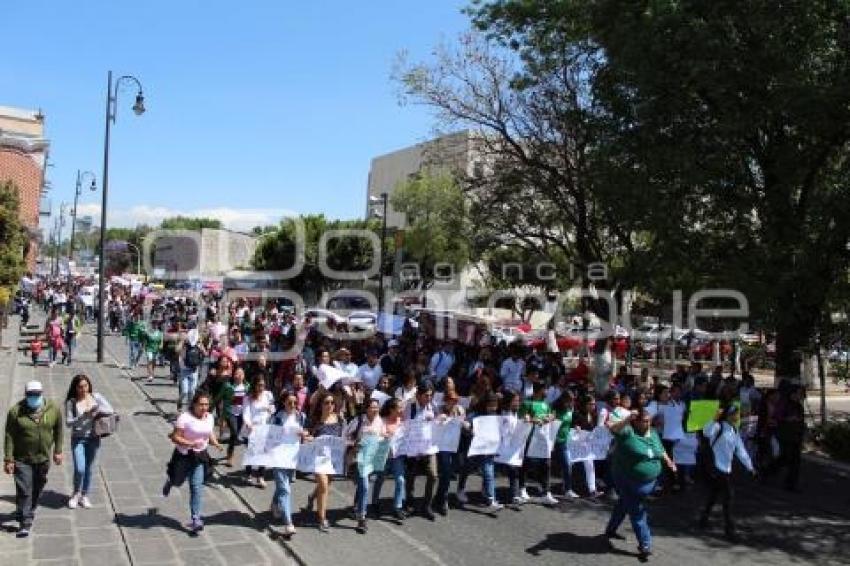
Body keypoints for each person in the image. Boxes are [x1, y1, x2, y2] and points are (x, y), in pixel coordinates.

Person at [605, 407, 676, 560]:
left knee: (624, 502)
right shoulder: (627, 433)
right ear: (635, 423)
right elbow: (613, 428)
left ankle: (610, 529)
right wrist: (627, 418)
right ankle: (645, 544)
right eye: (644, 421)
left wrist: (669, 461)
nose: (648, 424)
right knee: (637, 511)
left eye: (649, 420)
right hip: (627, 479)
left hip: (649, 482)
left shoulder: (653, 433)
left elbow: (660, 449)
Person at [3, 381, 64, 538]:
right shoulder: (15, 411)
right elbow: (9, 436)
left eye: (36, 395)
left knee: (38, 486)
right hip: (22, 458)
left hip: (42, 458)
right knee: (24, 489)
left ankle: (25, 509)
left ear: (42, 393)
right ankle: (25, 522)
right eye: (30, 395)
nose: (33, 397)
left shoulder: (53, 409)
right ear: (25, 394)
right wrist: (8, 459)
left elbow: (58, 429)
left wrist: (58, 450)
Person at [162, 392, 223, 533]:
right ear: (194, 404)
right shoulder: (185, 418)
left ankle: (196, 518)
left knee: (196, 487)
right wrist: (190, 443)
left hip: (199, 457)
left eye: (206, 404)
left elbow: (209, 433)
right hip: (183, 455)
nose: (204, 407)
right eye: (201, 404)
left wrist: (216, 443)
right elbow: (175, 437)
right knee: (177, 481)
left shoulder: (210, 418)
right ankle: (170, 481)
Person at [699, 404, 756, 542]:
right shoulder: (718, 427)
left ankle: (703, 519)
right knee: (728, 498)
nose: (737, 416)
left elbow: (741, 451)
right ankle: (729, 530)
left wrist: (750, 467)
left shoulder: (734, 431)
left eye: (737, 414)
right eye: (734, 414)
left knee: (714, 495)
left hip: (727, 469)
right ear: (728, 416)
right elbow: (706, 432)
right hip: (716, 468)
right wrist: (714, 419)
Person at [65, 374, 114, 508]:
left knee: (88, 468)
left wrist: (96, 409)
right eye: (80, 387)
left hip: (94, 437)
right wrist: (83, 416)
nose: (84, 389)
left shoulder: (96, 397)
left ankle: (84, 495)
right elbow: (68, 423)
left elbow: (110, 409)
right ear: (75, 388)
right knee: (79, 468)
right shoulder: (71, 402)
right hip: (78, 438)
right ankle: (76, 493)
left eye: (86, 386)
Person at [456, 393, 504, 512]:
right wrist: (467, 427)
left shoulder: (496, 417)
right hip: (474, 450)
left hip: (488, 451)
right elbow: (465, 425)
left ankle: (490, 499)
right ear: (485, 404)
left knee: (489, 472)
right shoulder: (475, 415)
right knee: (467, 469)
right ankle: (460, 489)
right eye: (491, 405)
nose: (493, 408)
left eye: (495, 405)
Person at [305, 393, 344, 532]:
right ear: (321, 405)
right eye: (326, 403)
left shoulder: (339, 419)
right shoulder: (314, 420)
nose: (330, 405)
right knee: (323, 485)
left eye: (332, 403)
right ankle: (322, 519)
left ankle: (312, 497)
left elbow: (343, 437)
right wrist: (308, 437)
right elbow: (306, 435)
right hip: (318, 458)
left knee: (326, 483)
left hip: (333, 459)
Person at [269, 390, 306, 536]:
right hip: (279, 457)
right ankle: (288, 523)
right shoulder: (277, 417)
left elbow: (304, 432)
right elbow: (270, 435)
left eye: (295, 402)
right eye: (289, 402)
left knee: (285, 484)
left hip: (293, 457)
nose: (293, 405)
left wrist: (304, 435)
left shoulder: (300, 416)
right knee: (285, 490)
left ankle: (274, 504)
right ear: (283, 402)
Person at [348, 398, 386, 533]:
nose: (375, 410)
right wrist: (354, 444)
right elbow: (346, 436)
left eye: (377, 407)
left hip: (372, 458)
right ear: (366, 408)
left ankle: (355, 507)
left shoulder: (380, 421)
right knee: (364, 486)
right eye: (372, 407)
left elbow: (382, 436)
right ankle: (362, 519)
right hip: (359, 458)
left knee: (362, 485)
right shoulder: (358, 421)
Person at [403, 383, 439, 520]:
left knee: (433, 475)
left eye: (431, 395)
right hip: (413, 448)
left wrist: (439, 420)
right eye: (426, 395)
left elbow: (437, 424)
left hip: (429, 448)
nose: (429, 398)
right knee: (411, 476)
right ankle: (409, 503)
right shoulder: (409, 407)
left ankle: (427, 506)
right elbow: (404, 426)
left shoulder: (433, 406)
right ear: (418, 395)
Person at [517, 382, 557, 505]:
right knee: (526, 464)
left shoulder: (546, 404)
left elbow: (552, 415)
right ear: (540, 390)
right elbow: (521, 418)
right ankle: (522, 488)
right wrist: (534, 420)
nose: (547, 392)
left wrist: (550, 417)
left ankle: (546, 491)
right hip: (529, 438)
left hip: (543, 439)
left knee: (546, 464)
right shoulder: (527, 403)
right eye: (545, 389)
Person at [371, 398, 406, 521]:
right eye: (399, 408)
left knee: (400, 480)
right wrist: (383, 435)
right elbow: (377, 436)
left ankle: (397, 507)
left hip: (397, 457)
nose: (402, 410)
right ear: (392, 409)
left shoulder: (402, 421)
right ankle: (374, 503)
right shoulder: (382, 421)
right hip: (384, 457)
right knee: (380, 479)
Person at [242, 377, 275, 487]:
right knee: (251, 452)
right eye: (259, 385)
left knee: (264, 453)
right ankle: (248, 474)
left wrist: (271, 410)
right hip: (252, 428)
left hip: (264, 427)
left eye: (263, 385)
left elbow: (273, 408)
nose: (261, 388)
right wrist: (248, 423)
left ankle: (261, 477)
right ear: (254, 385)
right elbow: (246, 412)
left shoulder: (268, 395)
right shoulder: (248, 397)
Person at [552, 389, 579, 498]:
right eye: (569, 400)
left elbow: (570, 423)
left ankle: (567, 489)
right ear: (563, 399)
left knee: (567, 464)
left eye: (573, 400)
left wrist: (576, 426)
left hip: (565, 441)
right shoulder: (555, 409)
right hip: (554, 441)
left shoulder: (570, 409)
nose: (571, 403)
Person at [179, 326, 205, 412]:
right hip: (185, 370)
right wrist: (182, 341)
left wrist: (201, 344)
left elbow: (205, 353)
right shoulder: (185, 344)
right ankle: (179, 401)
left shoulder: (198, 344)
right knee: (185, 391)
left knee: (192, 392)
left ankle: (188, 410)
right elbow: (177, 350)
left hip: (194, 370)